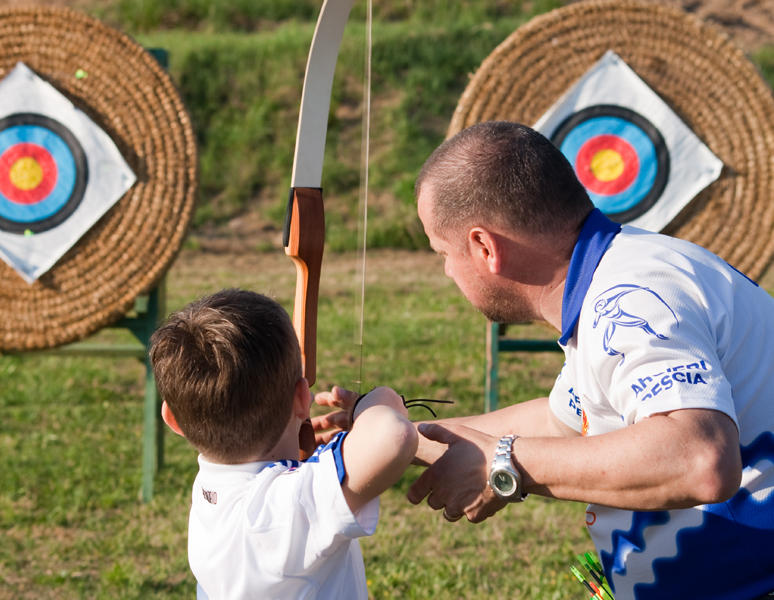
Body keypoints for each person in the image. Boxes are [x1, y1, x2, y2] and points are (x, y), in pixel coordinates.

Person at [317, 121, 774, 599]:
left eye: (443, 254)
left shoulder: (629, 296)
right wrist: (386, 440)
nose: (448, 270)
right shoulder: (614, 278)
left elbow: (701, 458)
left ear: (484, 247)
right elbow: (560, 423)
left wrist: (505, 464)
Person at [149, 288, 417, 600]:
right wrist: (375, 402)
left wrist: (316, 461)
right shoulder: (284, 508)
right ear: (304, 398)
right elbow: (392, 436)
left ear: (173, 420)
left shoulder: (211, 491)